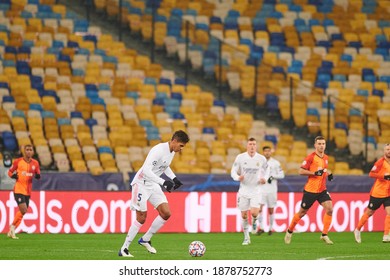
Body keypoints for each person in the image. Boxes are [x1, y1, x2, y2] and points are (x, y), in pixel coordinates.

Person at [119, 130, 190, 257]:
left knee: (166, 213)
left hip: (153, 184)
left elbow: (165, 166)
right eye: (181, 145)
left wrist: (174, 179)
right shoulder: (158, 150)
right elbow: (146, 170)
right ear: (174, 141)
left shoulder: (171, 152)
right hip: (141, 184)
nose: (181, 148)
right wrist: (163, 182)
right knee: (141, 218)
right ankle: (124, 248)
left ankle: (145, 239)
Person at [284, 136, 334, 245]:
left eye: (323, 144)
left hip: (322, 190)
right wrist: (314, 173)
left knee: (330, 209)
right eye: (319, 144)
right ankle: (289, 231)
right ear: (315, 145)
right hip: (310, 190)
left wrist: (328, 174)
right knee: (302, 213)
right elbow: (300, 171)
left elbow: (323, 170)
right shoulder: (310, 157)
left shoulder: (325, 157)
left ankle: (324, 235)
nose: (321, 146)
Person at [231, 137, 269, 245]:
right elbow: (233, 171)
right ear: (247, 146)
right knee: (243, 215)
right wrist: (237, 177)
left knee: (254, 212)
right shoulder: (240, 157)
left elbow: (267, 170)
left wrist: (264, 178)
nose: (252, 146)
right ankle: (246, 238)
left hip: (256, 190)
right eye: (250, 144)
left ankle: (255, 221)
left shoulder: (261, 158)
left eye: (254, 144)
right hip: (243, 190)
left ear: (256, 146)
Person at [354, 143, 390, 243]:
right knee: (369, 212)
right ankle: (357, 229)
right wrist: (384, 176)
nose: (389, 151)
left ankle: (386, 235)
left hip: (388, 193)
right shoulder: (380, 162)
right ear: (384, 151)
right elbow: (371, 174)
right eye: (387, 149)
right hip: (377, 193)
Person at [7, 144, 41, 239]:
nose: (29, 151)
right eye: (27, 150)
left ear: (33, 152)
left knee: (23, 212)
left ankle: (12, 229)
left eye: (30, 149)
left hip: (28, 191)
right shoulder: (18, 161)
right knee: (24, 209)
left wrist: (38, 176)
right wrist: (13, 176)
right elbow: (9, 172)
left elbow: (38, 174)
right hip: (18, 189)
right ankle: (12, 227)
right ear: (24, 151)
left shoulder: (35, 163)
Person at [256, 146, 285, 235]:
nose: (267, 153)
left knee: (271, 209)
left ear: (271, 152)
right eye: (265, 151)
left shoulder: (275, 163)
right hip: (261, 189)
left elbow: (282, 175)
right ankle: (261, 227)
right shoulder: (259, 162)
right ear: (263, 152)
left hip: (272, 190)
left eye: (268, 151)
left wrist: (273, 177)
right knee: (259, 209)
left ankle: (271, 228)